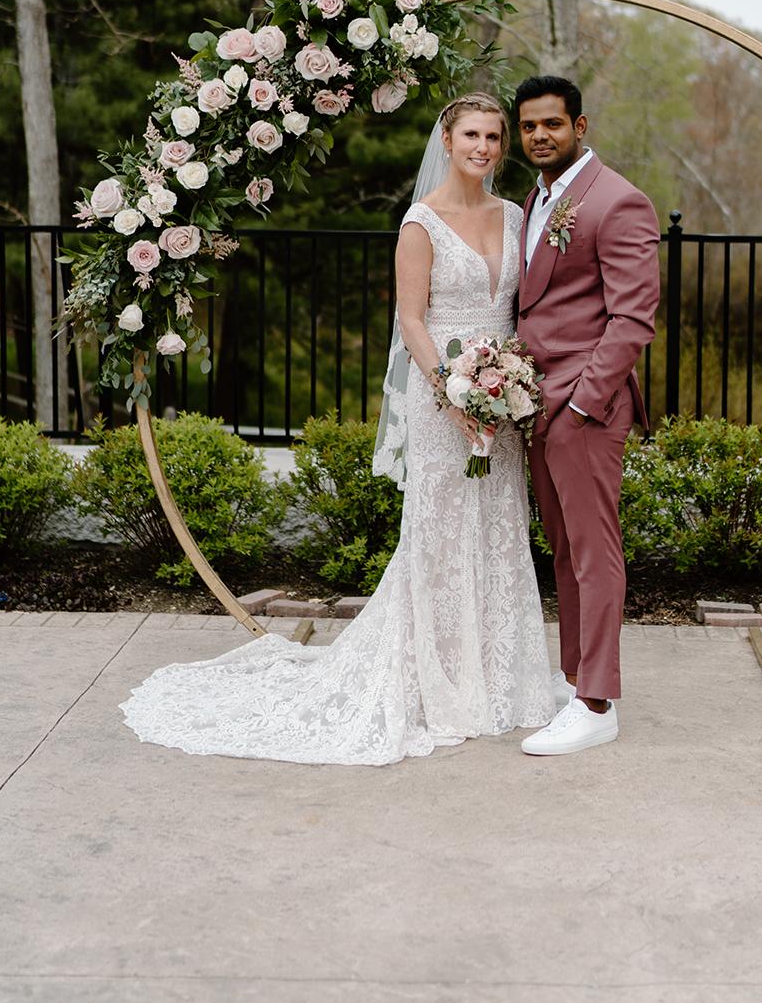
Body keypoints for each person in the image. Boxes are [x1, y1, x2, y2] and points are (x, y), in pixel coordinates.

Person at [120, 94, 554, 766]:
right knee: (439, 531)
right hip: (446, 392)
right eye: (472, 134)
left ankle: (501, 675)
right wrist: (451, 393)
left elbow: (526, 305)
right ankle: (438, 680)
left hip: (505, 396)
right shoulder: (422, 223)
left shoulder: (516, 215)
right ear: (447, 137)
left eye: (495, 136)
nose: (485, 148)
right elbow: (412, 321)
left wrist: (511, 382)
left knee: (497, 527)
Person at [514, 74, 660, 758]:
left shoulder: (618, 201)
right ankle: (573, 676)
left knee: (595, 551)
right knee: (566, 550)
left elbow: (633, 319)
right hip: (535, 401)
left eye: (553, 123)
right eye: (529, 126)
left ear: (581, 125)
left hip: (585, 406)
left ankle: (598, 701)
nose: (540, 134)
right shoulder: (535, 200)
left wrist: (579, 403)